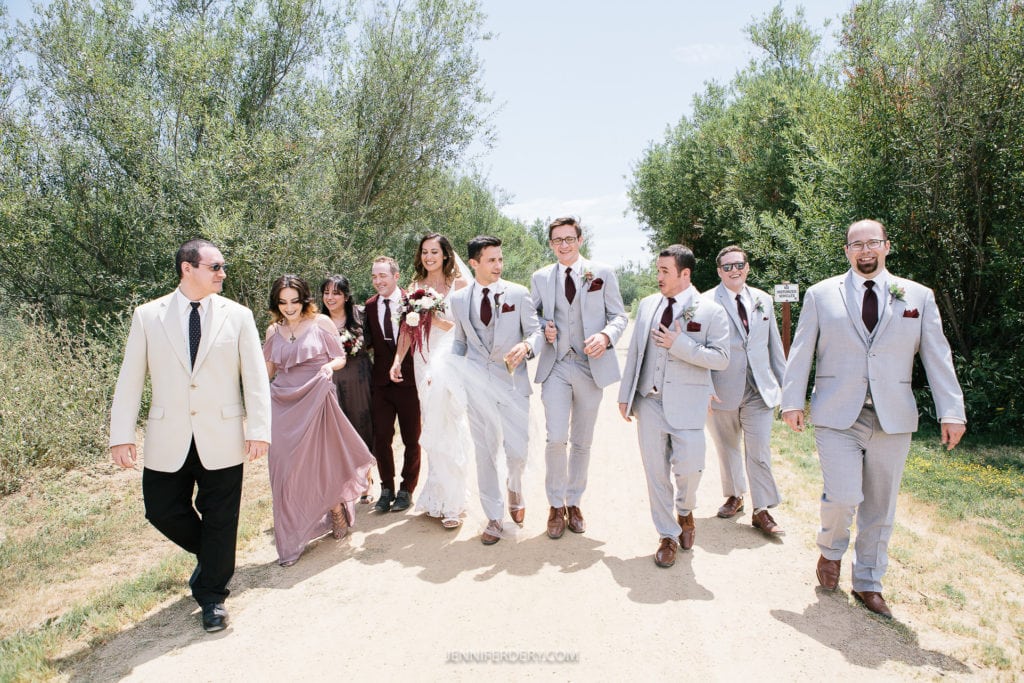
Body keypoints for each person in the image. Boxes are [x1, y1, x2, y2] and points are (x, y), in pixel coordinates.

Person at [781, 219, 966, 619]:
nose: (865, 251)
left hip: (893, 415)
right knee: (844, 495)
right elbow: (801, 352)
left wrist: (951, 410)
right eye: (856, 245)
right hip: (836, 412)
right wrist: (791, 401)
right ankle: (831, 550)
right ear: (847, 251)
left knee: (881, 506)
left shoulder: (918, 296)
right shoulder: (820, 294)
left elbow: (937, 355)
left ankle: (868, 581)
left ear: (886, 246)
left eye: (873, 243)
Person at [109, 238, 271, 634]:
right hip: (169, 435)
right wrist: (121, 434)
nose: (223, 273)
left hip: (224, 434)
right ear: (187, 268)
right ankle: (216, 554)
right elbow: (130, 378)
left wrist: (260, 429)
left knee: (221, 515)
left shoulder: (239, 316)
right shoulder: (148, 316)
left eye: (222, 267)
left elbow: (254, 378)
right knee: (161, 509)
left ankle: (212, 596)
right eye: (215, 267)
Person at [618, 245, 730, 568]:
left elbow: (722, 358)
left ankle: (686, 510)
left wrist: (679, 345)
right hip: (649, 401)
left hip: (689, 403)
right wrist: (626, 395)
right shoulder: (647, 305)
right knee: (655, 472)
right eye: (658, 270)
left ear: (685, 274)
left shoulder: (709, 311)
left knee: (690, 469)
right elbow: (636, 352)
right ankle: (667, 535)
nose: (659, 277)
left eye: (665, 271)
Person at [263, 275, 375, 567]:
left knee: (320, 460)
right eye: (283, 302)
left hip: (317, 394)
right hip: (282, 402)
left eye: (294, 301)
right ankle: (290, 540)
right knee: (284, 469)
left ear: (304, 299)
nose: (289, 307)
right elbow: (268, 370)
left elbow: (338, 358)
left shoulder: (321, 324)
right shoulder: (273, 331)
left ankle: (336, 507)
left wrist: (328, 365)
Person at [530, 216, 627, 539]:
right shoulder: (540, 278)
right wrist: (544, 327)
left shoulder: (601, 273)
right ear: (551, 244)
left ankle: (575, 502)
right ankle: (555, 505)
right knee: (556, 438)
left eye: (569, 239)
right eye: (557, 240)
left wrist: (605, 336)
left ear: (580, 240)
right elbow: (535, 318)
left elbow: (619, 316)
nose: (564, 245)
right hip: (556, 364)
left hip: (590, 365)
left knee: (582, 442)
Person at [450, 235, 543, 545]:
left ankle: (515, 486)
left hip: (513, 385)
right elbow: (460, 342)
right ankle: (493, 515)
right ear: (474, 263)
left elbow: (536, 333)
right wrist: (450, 374)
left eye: (500, 259)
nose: (499, 265)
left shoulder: (518, 293)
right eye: (491, 260)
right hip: (477, 387)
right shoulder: (459, 301)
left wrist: (526, 345)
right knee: (484, 453)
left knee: (517, 452)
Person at [389, 233, 472, 528]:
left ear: (446, 255)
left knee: (451, 422)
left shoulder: (460, 285)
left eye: (434, 251)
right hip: (423, 360)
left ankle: (454, 501)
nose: (428, 257)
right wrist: (398, 360)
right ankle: (436, 494)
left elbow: (467, 330)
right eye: (424, 252)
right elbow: (407, 330)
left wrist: (435, 319)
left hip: (451, 359)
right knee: (432, 423)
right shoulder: (414, 288)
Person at [707, 245, 787, 536]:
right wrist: (704, 388)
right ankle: (735, 495)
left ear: (747, 267)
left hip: (759, 389)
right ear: (719, 272)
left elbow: (774, 346)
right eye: (727, 266)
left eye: (738, 264)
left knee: (759, 450)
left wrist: (787, 389)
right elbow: (699, 351)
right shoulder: (706, 302)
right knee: (726, 447)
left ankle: (761, 509)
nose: (734, 270)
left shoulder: (763, 299)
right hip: (721, 389)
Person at [364, 256, 421, 513]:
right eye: (374, 277)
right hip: (381, 384)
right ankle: (386, 488)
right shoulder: (369, 306)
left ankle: (406, 488)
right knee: (382, 437)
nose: (378, 281)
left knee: (412, 438)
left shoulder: (414, 302)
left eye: (383, 276)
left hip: (410, 382)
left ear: (396, 277)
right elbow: (367, 342)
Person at [321, 275, 376, 504]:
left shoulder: (361, 314)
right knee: (337, 432)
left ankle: (366, 479)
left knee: (362, 425)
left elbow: (373, 342)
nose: (330, 298)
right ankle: (345, 482)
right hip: (331, 379)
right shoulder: (317, 320)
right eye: (326, 293)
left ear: (345, 295)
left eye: (336, 293)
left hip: (360, 376)